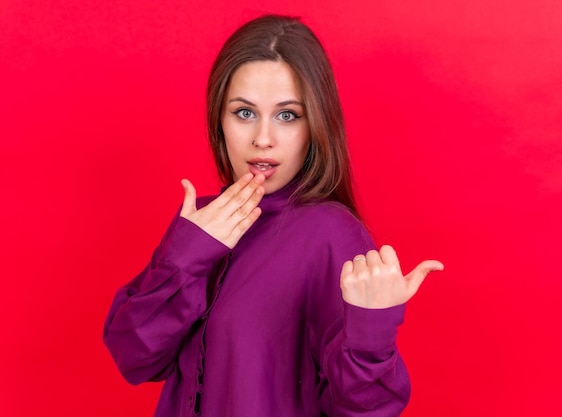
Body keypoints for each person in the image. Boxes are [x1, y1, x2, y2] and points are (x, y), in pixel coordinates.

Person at [103, 14, 443, 417]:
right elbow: (135, 357)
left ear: (315, 125)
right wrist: (184, 259)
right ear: (219, 121)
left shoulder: (330, 234)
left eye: (287, 115)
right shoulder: (204, 221)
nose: (262, 138)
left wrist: (372, 332)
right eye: (244, 113)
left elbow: (367, 411)